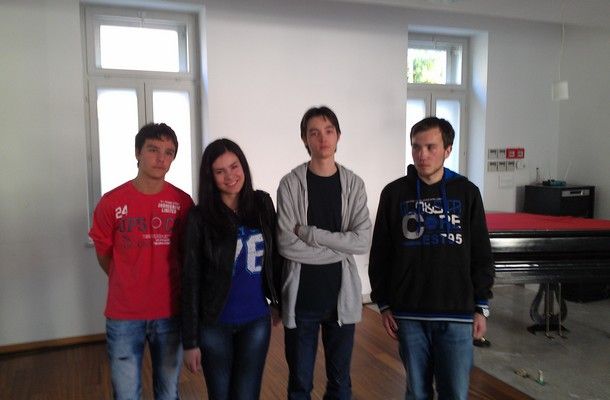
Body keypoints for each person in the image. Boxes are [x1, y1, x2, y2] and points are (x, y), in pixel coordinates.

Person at [368, 116, 494, 400]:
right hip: (409, 314)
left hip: (457, 314)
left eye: (430, 147)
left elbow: (481, 253)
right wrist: (384, 303)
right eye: (416, 147)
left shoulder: (467, 193)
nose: (422, 155)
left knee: (455, 392)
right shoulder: (394, 193)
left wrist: (481, 305)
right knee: (417, 392)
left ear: (447, 150)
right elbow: (381, 254)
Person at [89, 122, 194, 400]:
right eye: (153, 150)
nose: (161, 158)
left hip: (170, 311)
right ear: (138, 152)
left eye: (169, 152)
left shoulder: (183, 203)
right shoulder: (111, 202)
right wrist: (127, 278)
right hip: (124, 314)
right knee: (126, 394)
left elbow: (188, 255)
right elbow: (104, 254)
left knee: (169, 392)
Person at [276, 106, 372, 400]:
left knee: (340, 384)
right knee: (299, 386)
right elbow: (286, 244)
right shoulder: (290, 184)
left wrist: (311, 234)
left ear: (338, 135)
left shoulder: (353, 184)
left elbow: (361, 242)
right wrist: (339, 246)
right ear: (305, 139)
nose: (323, 139)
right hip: (301, 301)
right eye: (314, 133)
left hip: (341, 300)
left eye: (329, 131)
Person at [181, 138, 281, 400]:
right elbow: (190, 279)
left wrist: (277, 300)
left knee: (247, 395)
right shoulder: (199, 217)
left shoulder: (261, 204)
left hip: (256, 321)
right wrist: (190, 341)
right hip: (214, 324)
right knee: (220, 395)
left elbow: (276, 256)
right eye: (220, 171)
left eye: (234, 166)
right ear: (210, 177)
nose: (230, 176)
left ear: (243, 166)